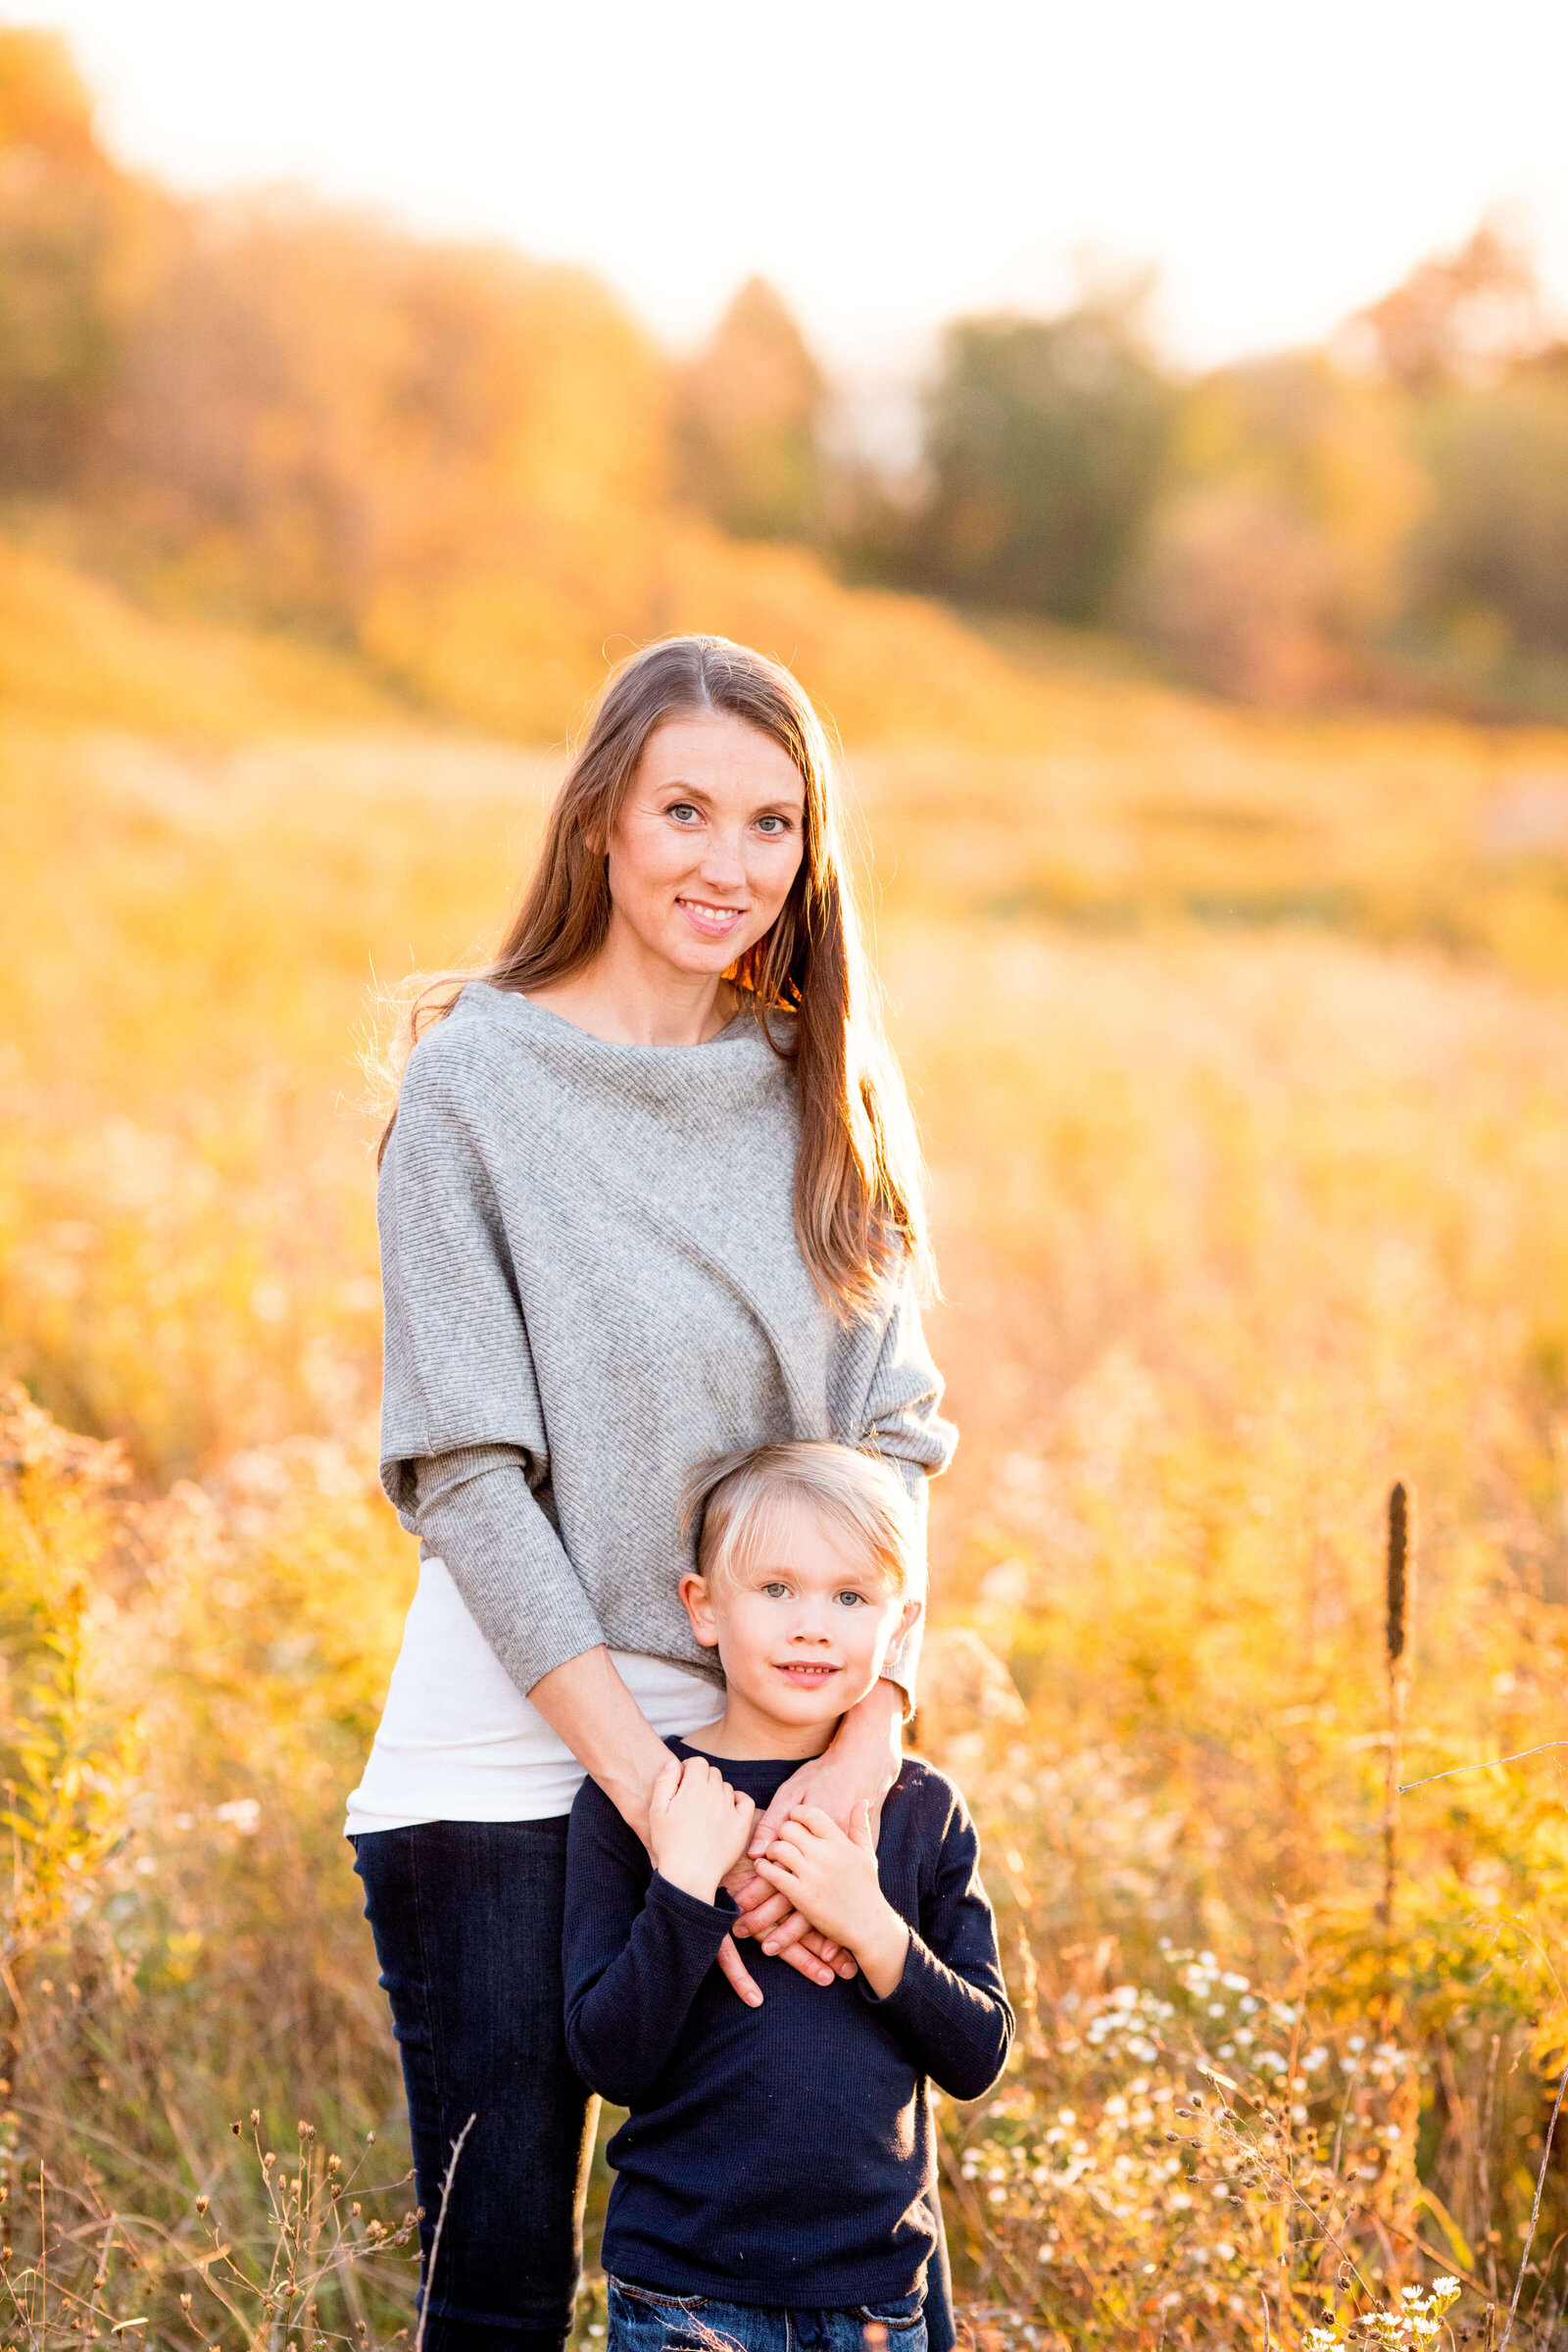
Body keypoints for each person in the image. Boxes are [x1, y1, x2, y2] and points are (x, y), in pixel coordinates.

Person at [346, 636, 958, 2352]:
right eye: (686, 808)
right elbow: (464, 1473)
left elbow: (895, 1439)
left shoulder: (818, 1091)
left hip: (789, 1765)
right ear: (605, 816)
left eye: (772, 824)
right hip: (522, 1759)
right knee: (506, 2293)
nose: (726, 863)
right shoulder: (478, 1079)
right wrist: (663, 1799)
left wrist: (862, 1748)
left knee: (838, 2262)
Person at [564, 1440, 1012, 2352]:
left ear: (899, 1626)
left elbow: (977, 2055)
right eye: (776, 1590)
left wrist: (872, 1925)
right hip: (682, 2294)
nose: (814, 1626)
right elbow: (610, 2061)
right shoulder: (646, 1806)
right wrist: (685, 1885)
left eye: (852, 1598)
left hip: (874, 2298)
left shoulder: (919, 1810)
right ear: (704, 1609)